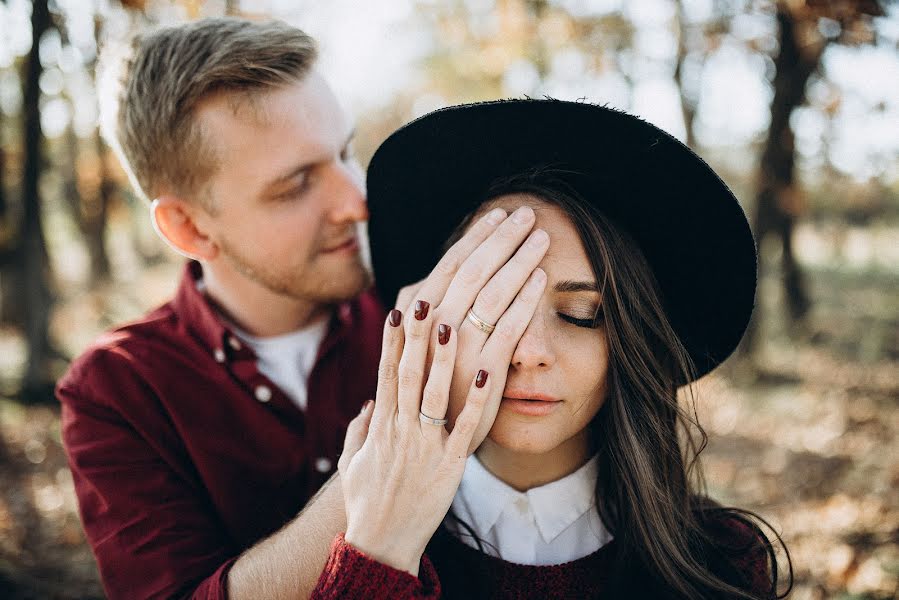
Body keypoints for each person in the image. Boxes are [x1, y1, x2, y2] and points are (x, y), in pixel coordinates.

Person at [56, 19, 548, 599]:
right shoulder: (117, 388)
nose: (357, 201)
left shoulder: (427, 307)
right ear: (188, 227)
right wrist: (404, 433)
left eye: (345, 152)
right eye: (294, 186)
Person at [311, 99, 793, 598]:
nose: (530, 352)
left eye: (581, 315)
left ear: (629, 339)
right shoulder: (324, 553)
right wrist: (378, 556)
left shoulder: (722, 560)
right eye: (495, 307)